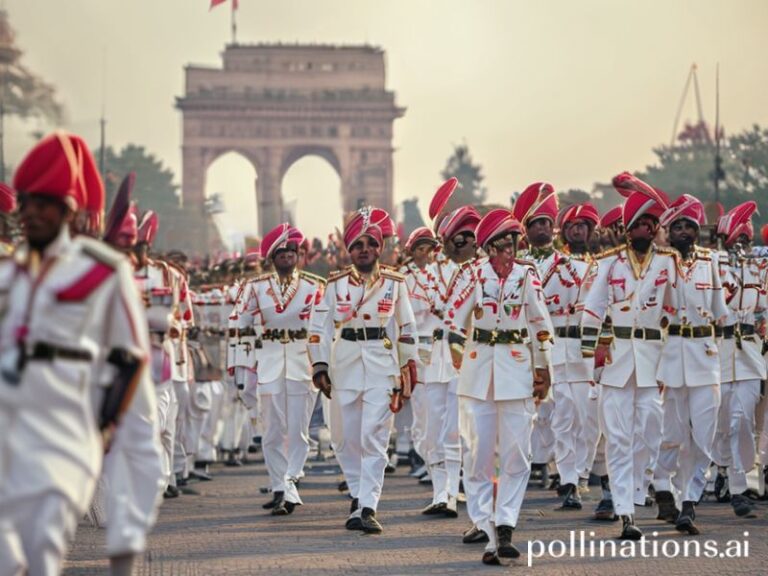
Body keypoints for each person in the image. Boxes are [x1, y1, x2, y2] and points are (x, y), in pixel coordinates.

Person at [0, 132, 149, 576]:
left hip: (64, 425)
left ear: (70, 211)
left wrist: (105, 428)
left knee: (38, 546)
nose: (32, 214)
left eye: (45, 204)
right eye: (27, 203)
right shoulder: (10, 272)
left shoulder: (103, 273)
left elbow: (129, 360)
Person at [448, 208, 552, 565]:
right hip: (478, 373)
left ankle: (505, 525)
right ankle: (486, 527)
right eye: (505, 244)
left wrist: (544, 368)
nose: (512, 250)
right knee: (478, 454)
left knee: (516, 454)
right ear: (490, 248)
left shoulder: (526, 275)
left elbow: (540, 324)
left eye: (514, 243)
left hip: (517, 371)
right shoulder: (472, 274)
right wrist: (458, 357)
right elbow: (453, 322)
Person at [580, 172, 678, 540]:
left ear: (655, 230)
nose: (643, 230)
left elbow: (676, 311)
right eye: (637, 225)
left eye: (649, 225)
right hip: (616, 361)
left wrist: (672, 360)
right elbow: (592, 311)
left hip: (653, 362)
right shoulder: (609, 263)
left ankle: (638, 491)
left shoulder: (667, 263)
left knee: (650, 432)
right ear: (627, 229)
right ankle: (625, 511)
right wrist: (592, 361)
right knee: (618, 438)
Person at [308, 206, 417, 534]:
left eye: (370, 243)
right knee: (343, 438)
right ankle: (357, 492)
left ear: (379, 248)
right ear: (349, 250)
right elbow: (319, 328)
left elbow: (407, 328)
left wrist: (407, 368)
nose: (364, 249)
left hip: (381, 365)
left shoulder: (395, 283)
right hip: (344, 365)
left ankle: (368, 504)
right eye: (357, 244)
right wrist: (320, 365)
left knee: (374, 436)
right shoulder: (335, 284)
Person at [513, 185, 600, 511]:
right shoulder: (517, 267)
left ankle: (581, 472)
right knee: (560, 416)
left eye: (546, 223)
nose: (542, 228)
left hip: (578, 348)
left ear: (554, 228)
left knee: (587, 417)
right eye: (535, 223)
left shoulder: (575, 265)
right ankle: (567, 480)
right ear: (526, 229)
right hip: (542, 349)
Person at [230, 223, 324, 514]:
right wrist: (241, 367)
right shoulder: (255, 288)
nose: (287, 255)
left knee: (298, 431)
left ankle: (290, 484)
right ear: (272, 257)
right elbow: (240, 327)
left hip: (302, 362)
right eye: (281, 252)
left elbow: (322, 331)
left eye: (291, 251)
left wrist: (323, 366)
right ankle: (280, 487)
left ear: (298, 255)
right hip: (268, 362)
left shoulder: (313, 287)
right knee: (272, 432)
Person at [652, 194, 727, 535]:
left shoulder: (710, 262)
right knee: (672, 434)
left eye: (689, 226)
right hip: (671, 356)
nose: (683, 231)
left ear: (697, 231)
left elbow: (720, 311)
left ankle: (690, 501)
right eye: (677, 226)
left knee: (704, 435)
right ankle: (662, 483)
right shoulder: (659, 263)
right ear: (668, 232)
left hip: (705, 357)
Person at [710, 201, 766, 516]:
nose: (741, 244)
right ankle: (722, 469)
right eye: (736, 238)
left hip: (751, 354)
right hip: (717, 351)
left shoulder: (759, 268)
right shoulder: (712, 265)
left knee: (742, 420)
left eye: (746, 239)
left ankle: (739, 488)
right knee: (720, 424)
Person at [399, 227, 439, 484]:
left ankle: (437, 461)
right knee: (421, 409)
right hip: (416, 347)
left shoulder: (442, 274)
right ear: (412, 252)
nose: (426, 254)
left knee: (439, 408)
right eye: (420, 249)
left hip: (440, 348)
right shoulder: (402, 277)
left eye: (430, 249)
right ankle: (424, 458)